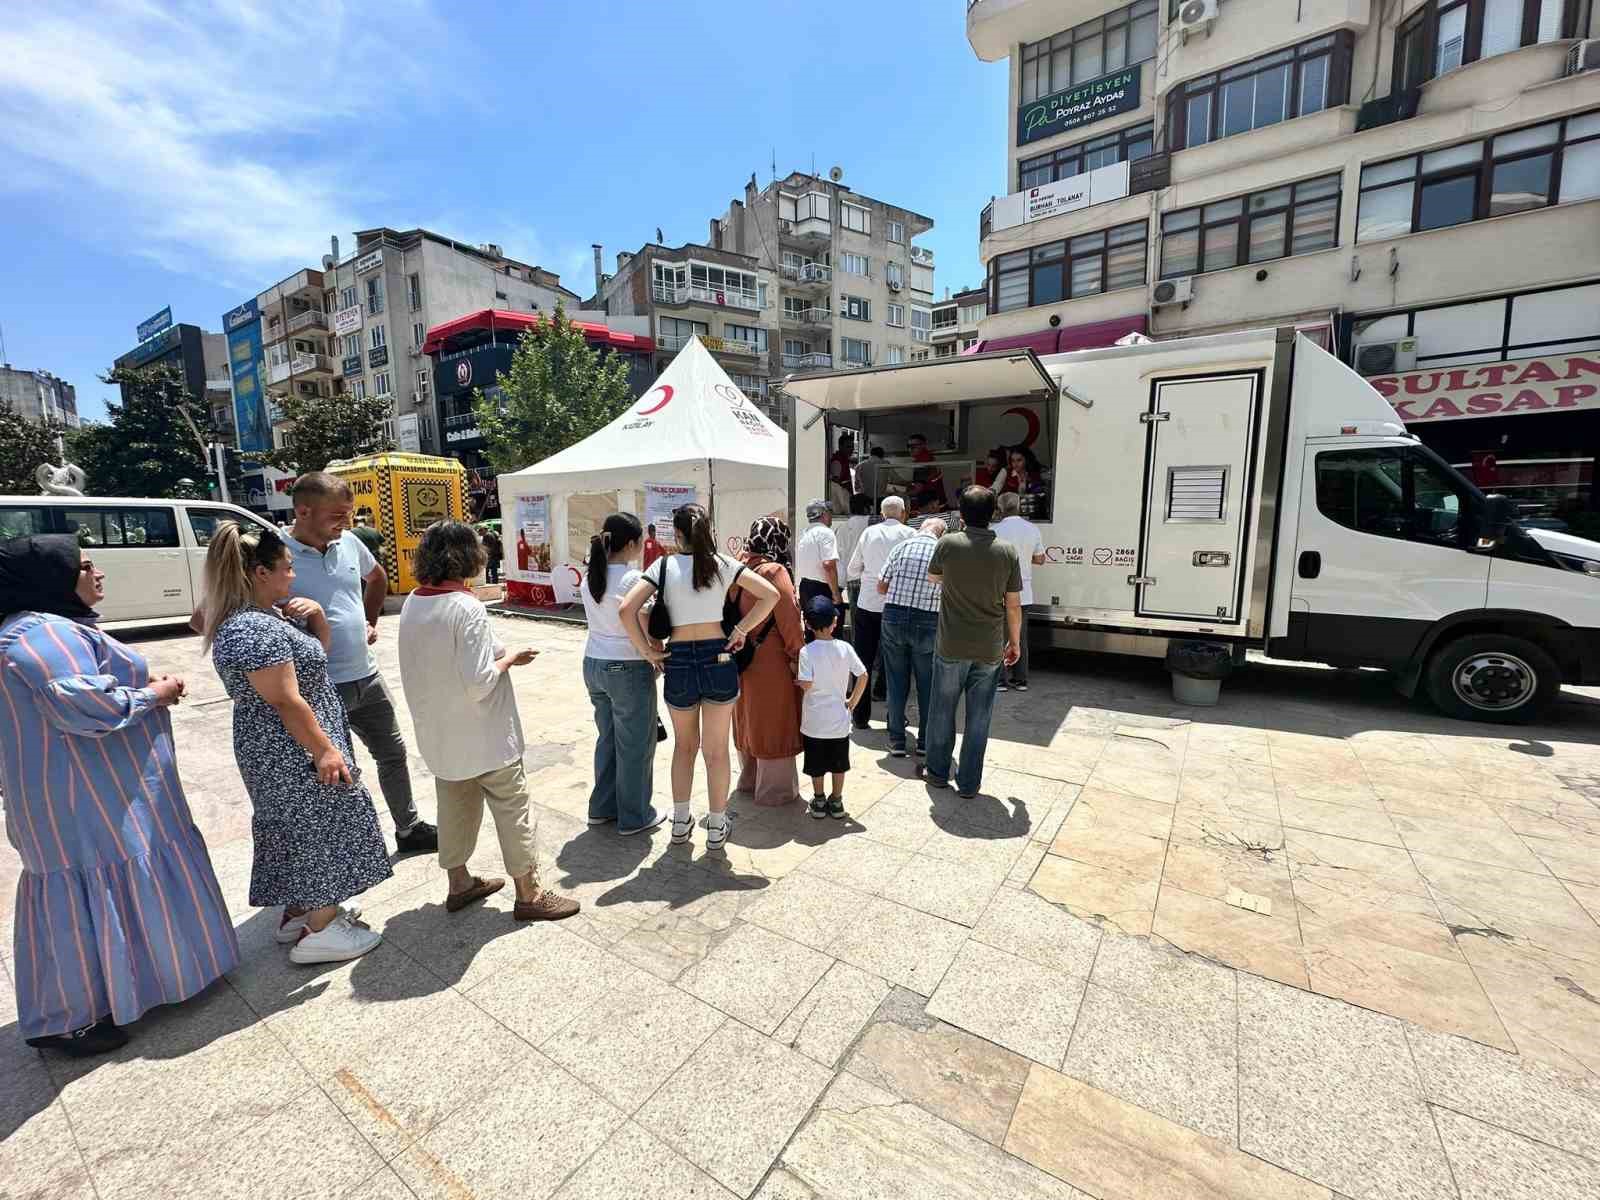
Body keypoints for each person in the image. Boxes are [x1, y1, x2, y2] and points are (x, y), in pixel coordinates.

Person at [0, 536, 238, 1056]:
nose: (97, 573)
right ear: (52, 580)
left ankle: (106, 999)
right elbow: (86, 707)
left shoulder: (31, 630)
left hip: (79, 793)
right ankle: (70, 1018)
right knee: (88, 887)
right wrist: (158, 692)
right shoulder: (41, 635)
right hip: (88, 796)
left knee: (90, 886)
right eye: (85, 566)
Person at [203, 522, 393, 963]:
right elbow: (287, 700)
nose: (292, 576)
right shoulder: (255, 629)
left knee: (298, 830)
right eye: (286, 568)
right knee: (326, 827)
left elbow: (311, 665)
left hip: (285, 747)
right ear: (260, 572)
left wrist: (318, 619)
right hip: (293, 751)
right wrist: (324, 749)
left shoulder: (263, 619)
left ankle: (302, 911)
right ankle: (321, 928)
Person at [398, 522, 579, 921]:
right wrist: (510, 658)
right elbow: (479, 682)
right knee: (513, 809)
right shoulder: (466, 607)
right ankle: (529, 894)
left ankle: (459, 881)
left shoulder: (414, 600)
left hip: (441, 734)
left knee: (455, 807)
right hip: (485, 735)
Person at [281, 472, 437, 854]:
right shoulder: (275, 554)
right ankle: (350, 850)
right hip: (317, 686)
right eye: (337, 515)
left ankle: (409, 827)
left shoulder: (349, 543)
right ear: (303, 511)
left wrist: (369, 621)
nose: (346, 523)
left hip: (366, 675)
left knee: (393, 753)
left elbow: (377, 578)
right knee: (337, 768)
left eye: (349, 514)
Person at [619, 504, 778, 851]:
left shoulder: (662, 566)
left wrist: (647, 651)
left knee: (684, 747)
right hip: (719, 657)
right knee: (717, 751)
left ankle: (679, 823)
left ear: (676, 534)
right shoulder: (724, 564)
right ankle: (717, 827)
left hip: (677, 659)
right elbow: (772, 595)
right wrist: (741, 629)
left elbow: (626, 609)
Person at [923, 487, 1022, 799]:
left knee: (942, 711)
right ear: (993, 514)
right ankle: (968, 784)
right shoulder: (1007, 551)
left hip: (951, 643)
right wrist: (1014, 642)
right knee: (979, 717)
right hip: (989, 646)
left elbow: (934, 578)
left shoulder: (948, 543)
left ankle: (938, 774)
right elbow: (1013, 604)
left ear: (960, 514)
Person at [579, 512, 666, 834]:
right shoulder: (632, 579)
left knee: (609, 739)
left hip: (593, 664)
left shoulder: (591, 576)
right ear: (631, 543)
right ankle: (635, 815)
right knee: (635, 744)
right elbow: (643, 623)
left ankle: (602, 808)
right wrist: (655, 652)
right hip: (627, 667)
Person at [732, 517, 805, 808]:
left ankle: (749, 780)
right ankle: (774, 790)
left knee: (747, 717)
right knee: (774, 721)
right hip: (771, 659)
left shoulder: (738, 567)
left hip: (740, 657)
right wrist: (799, 657)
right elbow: (789, 620)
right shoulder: (774, 571)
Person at [876, 516, 945, 757]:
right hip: (928, 620)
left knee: (896, 681)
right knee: (927, 684)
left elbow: (881, 587)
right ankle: (925, 742)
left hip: (894, 616)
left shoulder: (901, 547)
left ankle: (896, 740)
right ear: (940, 533)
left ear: (921, 528)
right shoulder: (942, 551)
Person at [845, 496, 915, 728]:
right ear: (903, 513)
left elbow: (853, 569)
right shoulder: (910, 534)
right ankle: (894, 717)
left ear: (883, 514)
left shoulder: (869, 533)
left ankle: (860, 716)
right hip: (898, 606)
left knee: (863, 660)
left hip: (868, 604)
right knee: (897, 662)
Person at [796, 597, 867, 820]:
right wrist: (853, 700)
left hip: (814, 723)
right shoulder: (845, 648)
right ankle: (836, 801)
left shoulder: (806, 652)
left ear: (807, 624)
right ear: (835, 622)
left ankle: (818, 800)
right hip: (839, 721)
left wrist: (796, 681)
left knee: (815, 765)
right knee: (839, 764)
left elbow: (807, 685)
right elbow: (863, 675)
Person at [994, 492, 1047, 693]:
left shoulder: (995, 530)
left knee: (999, 635)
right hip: (1023, 591)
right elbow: (1041, 559)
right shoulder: (1032, 529)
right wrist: (1025, 559)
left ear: (1000, 509)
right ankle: (1020, 679)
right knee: (1020, 637)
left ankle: (1000, 680)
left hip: (999, 590)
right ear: (1019, 507)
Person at [794, 498, 842, 615]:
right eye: (830, 512)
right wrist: (835, 593)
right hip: (822, 589)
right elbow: (828, 565)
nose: (831, 515)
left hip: (805, 587)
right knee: (828, 629)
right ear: (824, 514)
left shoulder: (803, 534)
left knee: (811, 628)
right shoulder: (826, 532)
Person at [828, 431, 855, 513]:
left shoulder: (844, 460)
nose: (851, 449)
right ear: (840, 446)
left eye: (852, 447)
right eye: (848, 447)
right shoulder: (837, 462)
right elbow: (836, 484)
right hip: (840, 502)